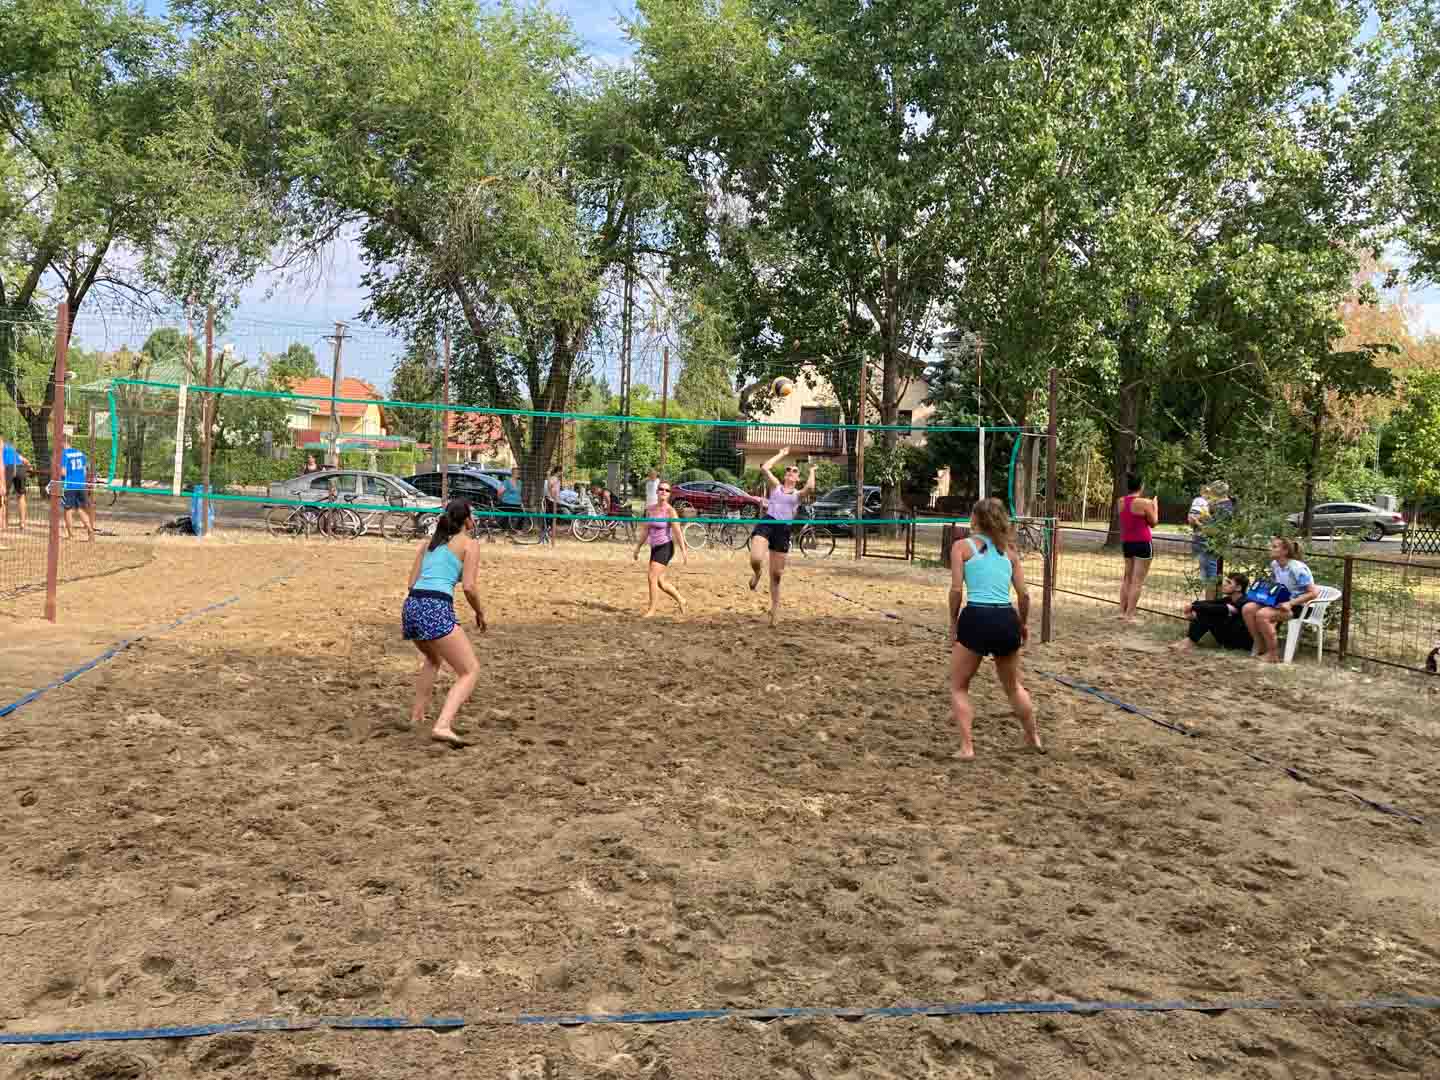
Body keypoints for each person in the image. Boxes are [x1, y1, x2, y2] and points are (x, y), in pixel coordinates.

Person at [948, 497, 1041, 759]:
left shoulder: (961, 547)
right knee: (1013, 686)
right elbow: (1024, 595)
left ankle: (967, 747)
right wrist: (1023, 624)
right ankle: (1033, 737)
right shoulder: (1010, 552)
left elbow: (956, 590)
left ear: (976, 519)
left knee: (959, 686)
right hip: (1005, 618)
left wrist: (953, 622)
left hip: (977, 617)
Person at [403, 498, 486, 748]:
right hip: (435, 606)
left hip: (411, 606)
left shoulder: (428, 544)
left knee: (433, 659)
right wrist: (480, 613)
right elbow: (469, 587)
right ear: (467, 520)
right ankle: (442, 726)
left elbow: (411, 583)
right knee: (470, 671)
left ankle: (417, 716)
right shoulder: (470, 544)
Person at [747, 448, 816, 627]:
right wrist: (781, 454)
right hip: (768, 522)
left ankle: (775, 610)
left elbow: (810, 488)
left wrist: (812, 471)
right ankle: (757, 573)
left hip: (783, 529)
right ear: (785, 475)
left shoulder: (797, 495)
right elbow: (765, 468)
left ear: (797, 478)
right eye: (788, 470)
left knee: (776, 575)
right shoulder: (776, 486)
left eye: (795, 471)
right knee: (756, 558)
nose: (791, 471)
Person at [1242, 536, 1321, 663]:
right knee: (1248, 608)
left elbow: (1314, 592)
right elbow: (1276, 585)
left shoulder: (1297, 568)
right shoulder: (1275, 564)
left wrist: (1290, 603)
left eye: (1274, 547)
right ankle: (1260, 644)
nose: (1270, 549)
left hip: (1300, 606)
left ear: (1285, 551)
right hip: (1281, 602)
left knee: (1263, 614)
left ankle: (1273, 654)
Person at [632, 477, 688, 616]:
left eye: (667, 490)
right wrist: (638, 547)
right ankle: (681, 600)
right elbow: (645, 530)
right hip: (654, 547)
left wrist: (684, 551)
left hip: (665, 547)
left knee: (651, 577)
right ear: (657, 491)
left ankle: (652, 610)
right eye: (661, 489)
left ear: (669, 494)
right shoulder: (650, 509)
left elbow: (678, 532)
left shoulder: (670, 511)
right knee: (661, 582)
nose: (663, 492)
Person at [1170, 573, 1253, 652]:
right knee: (1208, 609)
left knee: (1211, 611)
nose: (1224, 584)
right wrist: (1192, 606)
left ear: (1238, 588)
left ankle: (1189, 642)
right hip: (1230, 636)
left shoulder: (1244, 601)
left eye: (1229, 582)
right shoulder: (1229, 599)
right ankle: (1189, 640)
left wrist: (1194, 607)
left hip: (1241, 642)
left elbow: (1220, 608)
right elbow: (1209, 603)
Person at [1116, 473, 1158, 622]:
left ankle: (1122, 612)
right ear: (1141, 486)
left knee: (1127, 578)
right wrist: (1155, 506)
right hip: (1143, 543)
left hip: (1127, 543)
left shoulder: (1120, 501)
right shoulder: (1145, 503)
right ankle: (1129, 615)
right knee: (1137, 581)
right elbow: (1154, 523)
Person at [61, 436, 95, 542]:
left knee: (68, 510)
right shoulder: (81, 453)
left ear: (63, 442)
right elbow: (84, 471)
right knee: (80, 509)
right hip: (81, 485)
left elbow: (63, 472)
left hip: (70, 486)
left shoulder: (64, 454)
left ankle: (71, 535)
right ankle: (90, 530)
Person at [1188, 484, 1215, 581]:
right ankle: (1207, 583)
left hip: (1205, 536)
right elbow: (1191, 519)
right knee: (1205, 563)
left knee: (1207, 564)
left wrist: (1198, 520)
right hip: (1201, 536)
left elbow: (1192, 519)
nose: (1207, 494)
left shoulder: (1213, 503)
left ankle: (1208, 583)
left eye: (1208, 492)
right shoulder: (1199, 501)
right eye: (1205, 492)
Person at [3, 439, 28, 529]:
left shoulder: (2, 448)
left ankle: (4, 523)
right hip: (20, 468)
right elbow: (26, 461)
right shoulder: (13, 450)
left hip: (8, 468)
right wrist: (29, 467)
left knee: (4, 496)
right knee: (21, 495)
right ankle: (22, 523)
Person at [540, 465, 562, 546]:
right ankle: (545, 536)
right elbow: (550, 488)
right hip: (551, 500)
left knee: (552, 519)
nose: (561, 473)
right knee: (549, 519)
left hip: (554, 500)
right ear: (558, 471)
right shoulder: (553, 479)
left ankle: (549, 536)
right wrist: (553, 496)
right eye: (561, 471)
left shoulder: (556, 479)